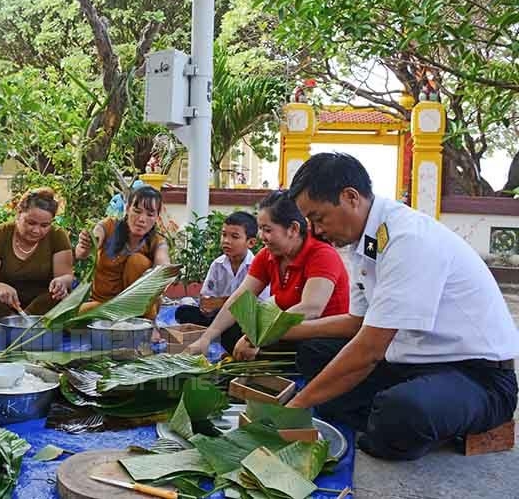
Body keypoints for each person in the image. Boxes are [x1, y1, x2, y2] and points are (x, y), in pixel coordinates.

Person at [285, 152, 519, 460]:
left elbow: (368, 350)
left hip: (476, 376)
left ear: (350, 197)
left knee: (400, 413)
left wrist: (295, 408)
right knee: (316, 355)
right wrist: (286, 329)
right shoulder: (366, 242)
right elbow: (357, 322)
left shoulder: (408, 239)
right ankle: (390, 415)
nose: (315, 231)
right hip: (413, 365)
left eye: (318, 218)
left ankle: (409, 419)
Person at [186, 190, 350, 357]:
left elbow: (311, 308)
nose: (261, 236)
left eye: (267, 230)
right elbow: (240, 299)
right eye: (260, 229)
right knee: (233, 330)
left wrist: (254, 337)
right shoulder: (267, 256)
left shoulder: (322, 255)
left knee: (308, 352)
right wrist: (206, 338)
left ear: (293, 229)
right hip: (285, 331)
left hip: (320, 337)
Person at [0, 187, 73, 326]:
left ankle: (18, 324)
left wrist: (62, 282)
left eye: (44, 225)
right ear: (19, 214)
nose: (36, 230)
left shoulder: (57, 236)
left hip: (43, 304)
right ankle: (22, 324)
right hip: (6, 304)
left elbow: (67, 276)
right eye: (31, 223)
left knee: (61, 299)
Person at [75, 185, 170, 319]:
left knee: (138, 261)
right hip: (104, 306)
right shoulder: (108, 226)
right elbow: (85, 249)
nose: (142, 219)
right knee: (72, 319)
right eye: (137, 211)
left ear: (156, 218)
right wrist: (86, 244)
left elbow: (164, 265)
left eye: (150, 214)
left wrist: (162, 271)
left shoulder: (157, 242)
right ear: (127, 209)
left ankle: (147, 325)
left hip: (138, 311)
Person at [174, 211, 262, 353]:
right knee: (183, 312)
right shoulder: (217, 264)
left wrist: (224, 303)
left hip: (244, 321)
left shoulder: (256, 266)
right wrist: (209, 305)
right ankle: (213, 335)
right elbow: (206, 299)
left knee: (236, 327)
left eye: (234, 237)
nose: (226, 240)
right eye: (224, 234)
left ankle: (217, 338)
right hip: (218, 315)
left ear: (251, 242)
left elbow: (259, 305)